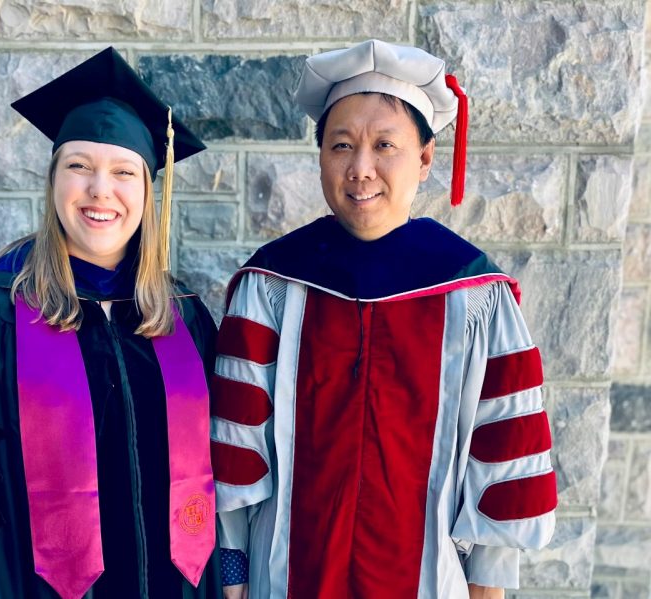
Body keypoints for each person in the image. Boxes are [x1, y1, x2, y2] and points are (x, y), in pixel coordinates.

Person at [211, 40, 556, 599]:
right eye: (340, 145)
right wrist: (235, 582)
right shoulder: (271, 286)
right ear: (320, 155)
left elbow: (503, 465)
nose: (361, 168)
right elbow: (235, 459)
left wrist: (486, 589)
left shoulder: (476, 296)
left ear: (423, 159)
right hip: (285, 579)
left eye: (385, 145)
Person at [0, 47, 222, 599]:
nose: (99, 191)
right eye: (79, 166)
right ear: (53, 180)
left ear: (146, 190)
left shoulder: (182, 316)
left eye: (122, 172)